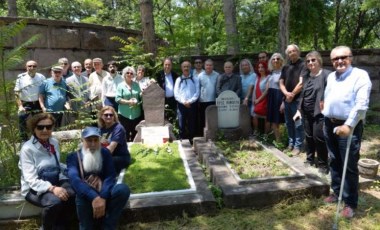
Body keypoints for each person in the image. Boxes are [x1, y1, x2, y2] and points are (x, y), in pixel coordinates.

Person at [323, 46, 372, 218]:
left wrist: (349, 126)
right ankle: (337, 193)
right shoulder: (330, 76)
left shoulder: (360, 75)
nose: (339, 61)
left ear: (350, 58)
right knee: (334, 160)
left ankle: (350, 202)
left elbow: (361, 104)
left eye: (343, 57)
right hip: (329, 124)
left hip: (348, 126)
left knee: (349, 165)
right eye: (335, 58)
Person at [19, 113, 75, 230]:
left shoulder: (53, 142)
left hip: (54, 179)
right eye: (40, 127)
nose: (45, 130)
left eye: (48, 127)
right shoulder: (27, 149)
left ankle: (62, 225)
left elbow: (56, 164)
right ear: (34, 128)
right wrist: (53, 189)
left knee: (72, 193)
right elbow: (31, 180)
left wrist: (74, 170)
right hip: (33, 189)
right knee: (54, 202)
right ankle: (46, 227)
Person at [67, 126, 130, 229]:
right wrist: (94, 197)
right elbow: (75, 180)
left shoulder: (105, 153)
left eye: (96, 140)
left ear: (99, 140)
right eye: (89, 140)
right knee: (81, 200)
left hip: (103, 191)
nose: (92, 144)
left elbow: (110, 176)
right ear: (82, 140)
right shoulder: (73, 157)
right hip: (85, 194)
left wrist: (103, 197)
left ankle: (108, 225)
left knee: (122, 190)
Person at [293, 51, 331, 174]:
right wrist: (299, 110)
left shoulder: (327, 75)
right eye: (308, 61)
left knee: (319, 138)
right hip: (306, 113)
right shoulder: (306, 76)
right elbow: (302, 95)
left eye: (313, 60)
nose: (310, 63)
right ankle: (309, 160)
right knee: (309, 137)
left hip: (320, 113)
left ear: (319, 61)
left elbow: (331, 93)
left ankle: (323, 165)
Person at [279, 44, 307, 155]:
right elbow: (281, 82)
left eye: (294, 51)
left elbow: (302, 83)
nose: (292, 53)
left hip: (298, 101)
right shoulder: (286, 67)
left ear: (298, 52)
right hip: (287, 100)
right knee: (289, 123)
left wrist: (292, 95)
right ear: (287, 54)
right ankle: (291, 144)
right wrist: (286, 94)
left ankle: (298, 146)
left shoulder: (304, 65)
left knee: (298, 123)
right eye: (290, 52)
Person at [14, 60, 46, 141]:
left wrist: (43, 105)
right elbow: (16, 93)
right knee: (22, 122)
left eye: (34, 66)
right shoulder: (21, 77)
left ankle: (39, 139)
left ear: (37, 67)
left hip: (37, 103)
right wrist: (20, 106)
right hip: (25, 103)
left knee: (39, 122)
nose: (32, 68)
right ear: (26, 67)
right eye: (29, 66)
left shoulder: (41, 77)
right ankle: (23, 141)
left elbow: (44, 91)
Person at [98, 106, 131, 174]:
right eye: (106, 115)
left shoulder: (118, 128)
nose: (109, 117)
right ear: (102, 116)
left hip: (120, 157)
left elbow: (110, 149)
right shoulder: (102, 129)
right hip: (108, 156)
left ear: (114, 116)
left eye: (111, 115)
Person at [174, 61, 200, 142]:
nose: (186, 68)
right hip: (181, 105)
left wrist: (190, 101)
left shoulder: (195, 79)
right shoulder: (178, 79)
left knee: (191, 123)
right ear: (181, 68)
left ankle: (191, 139)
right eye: (184, 67)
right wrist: (183, 102)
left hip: (192, 105)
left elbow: (197, 92)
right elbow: (176, 93)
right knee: (181, 123)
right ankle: (182, 139)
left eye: (187, 66)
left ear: (190, 68)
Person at [116, 66, 142, 142]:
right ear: (124, 74)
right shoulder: (120, 86)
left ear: (133, 75)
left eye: (131, 73)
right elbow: (117, 99)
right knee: (125, 134)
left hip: (136, 114)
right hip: (124, 114)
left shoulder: (136, 85)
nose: (129, 74)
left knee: (135, 134)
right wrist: (128, 102)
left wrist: (143, 94)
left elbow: (140, 95)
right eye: (127, 73)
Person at [266, 53, 285, 142]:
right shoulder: (271, 73)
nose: (275, 60)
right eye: (273, 59)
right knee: (273, 119)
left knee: (280, 119)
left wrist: (283, 102)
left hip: (279, 96)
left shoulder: (284, 72)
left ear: (281, 60)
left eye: (278, 58)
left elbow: (286, 87)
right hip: (271, 97)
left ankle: (284, 139)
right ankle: (278, 140)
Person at [198, 59, 219, 135]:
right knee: (203, 119)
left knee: (213, 118)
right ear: (204, 66)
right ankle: (202, 135)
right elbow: (198, 88)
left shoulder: (217, 75)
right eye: (207, 65)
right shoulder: (200, 75)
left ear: (213, 66)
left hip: (214, 100)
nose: (208, 67)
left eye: (210, 65)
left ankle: (213, 134)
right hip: (203, 101)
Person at [156, 58, 179, 124]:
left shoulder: (175, 75)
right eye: (166, 64)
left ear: (171, 66)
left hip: (173, 100)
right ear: (163, 65)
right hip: (163, 100)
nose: (167, 66)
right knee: (163, 118)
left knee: (172, 118)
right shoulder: (159, 75)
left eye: (169, 65)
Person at [252, 61, 270, 135]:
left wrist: (259, 100)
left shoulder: (268, 77)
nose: (260, 69)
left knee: (267, 118)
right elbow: (255, 89)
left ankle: (266, 135)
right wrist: (254, 99)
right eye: (259, 67)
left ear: (265, 68)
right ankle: (256, 131)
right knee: (254, 115)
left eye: (262, 67)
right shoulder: (257, 77)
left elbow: (267, 90)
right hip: (256, 100)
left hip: (265, 100)